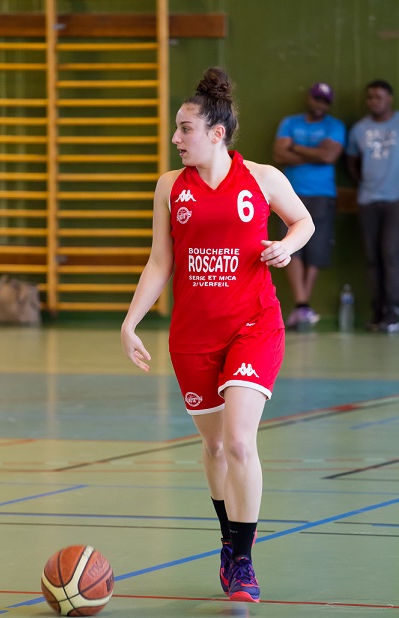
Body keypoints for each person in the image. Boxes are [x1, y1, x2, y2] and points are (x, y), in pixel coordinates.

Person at [121, 67, 314, 603]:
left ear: (216, 133)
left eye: (185, 129)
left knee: (237, 441)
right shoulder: (169, 188)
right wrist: (130, 320)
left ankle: (244, 559)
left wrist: (287, 247)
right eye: (176, 130)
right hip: (192, 335)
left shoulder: (262, 178)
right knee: (212, 447)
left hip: (254, 325)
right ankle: (228, 541)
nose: (176, 138)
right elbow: (161, 261)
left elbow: (304, 222)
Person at [273, 82, 346, 328]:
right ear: (310, 99)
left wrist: (295, 147)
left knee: (316, 250)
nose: (320, 105)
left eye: (325, 101)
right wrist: (314, 153)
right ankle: (302, 305)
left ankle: (301, 307)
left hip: (322, 195)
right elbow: (279, 154)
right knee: (290, 247)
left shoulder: (335, 126)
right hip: (290, 194)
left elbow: (329, 156)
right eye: (317, 99)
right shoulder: (290, 122)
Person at [346, 79, 399, 333]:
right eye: (370, 97)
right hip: (368, 200)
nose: (373, 101)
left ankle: (393, 310)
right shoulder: (359, 129)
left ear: (389, 98)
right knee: (372, 259)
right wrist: (366, 181)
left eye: (378, 97)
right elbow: (352, 161)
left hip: (395, 201)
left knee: (390, 254)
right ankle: (378, 312)